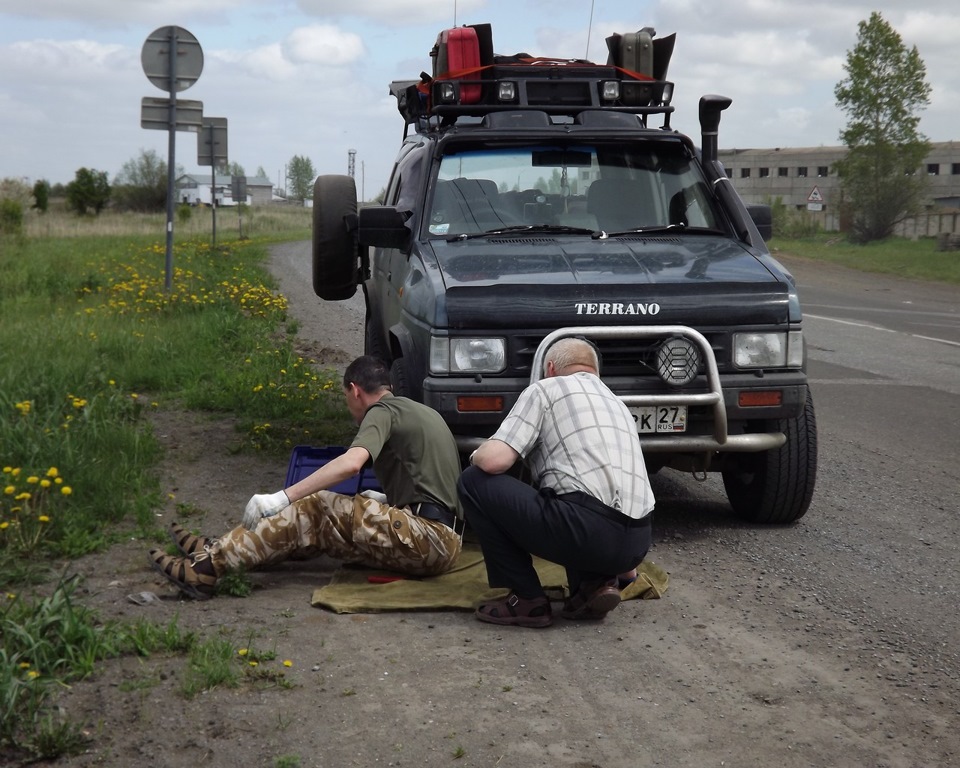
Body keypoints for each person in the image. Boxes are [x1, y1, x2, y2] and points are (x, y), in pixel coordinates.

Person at [149, 356, 463, 600]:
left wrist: (283, 497)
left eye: (346, 398)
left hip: (426, 538)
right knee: (319, 528)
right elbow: (432, 484)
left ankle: (204, 570)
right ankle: (220, 548)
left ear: (355, 391)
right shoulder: (418, 411)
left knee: (314, 506)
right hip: (442, 542)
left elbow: (352, 463)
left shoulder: (380, 411)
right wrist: (388, 500)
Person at [458, 337, 654, 628]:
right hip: (638, 541)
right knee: (569, 495)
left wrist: (477, 454)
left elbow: (494, 461)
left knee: (474, 481)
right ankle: (593, 585)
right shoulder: (618, 404)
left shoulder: (545, 389)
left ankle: (526, 599)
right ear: (595, 372)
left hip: (586, 531)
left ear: (549, 368)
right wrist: (627, 568)